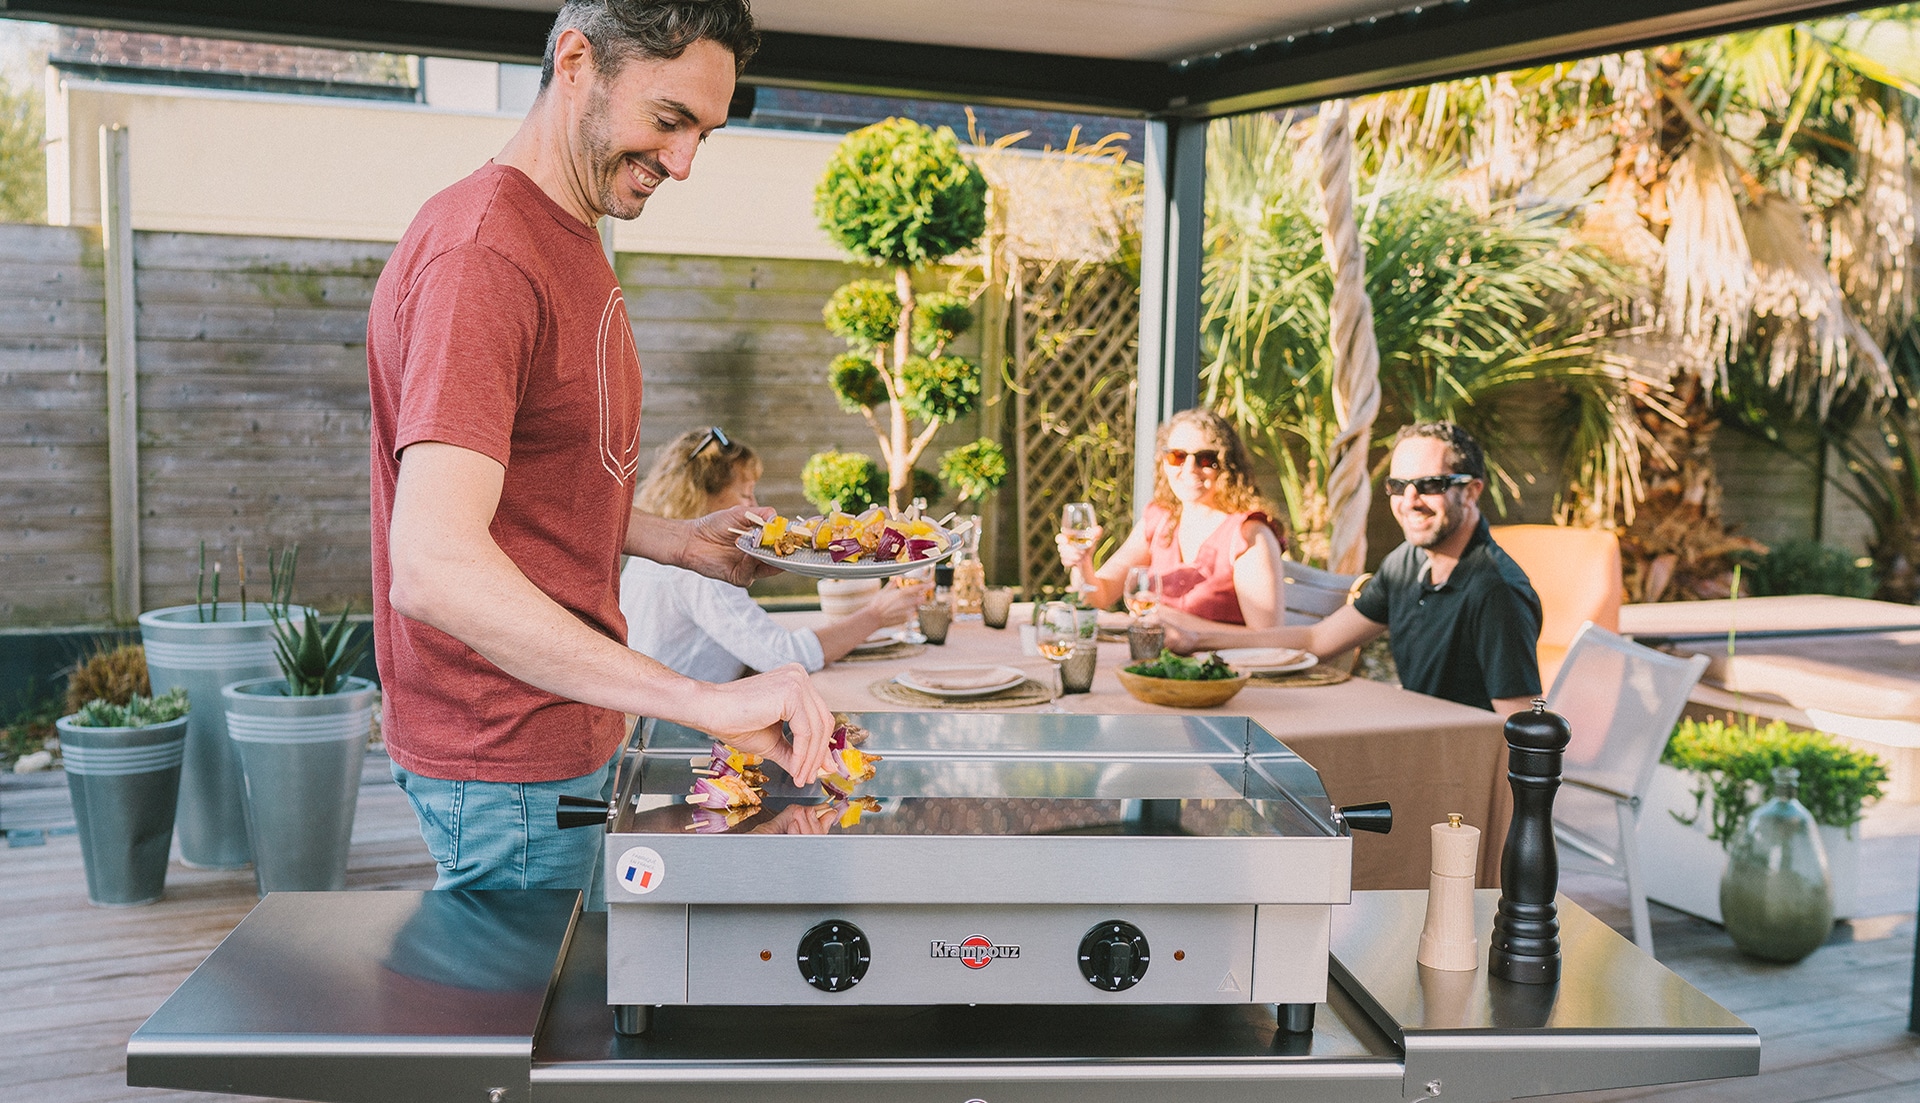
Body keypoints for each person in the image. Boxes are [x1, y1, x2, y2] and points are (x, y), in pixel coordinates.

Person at [367, 0, 836, 895]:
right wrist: (705, 700)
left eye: (705, 132)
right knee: (546, 1029)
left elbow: (534, 481)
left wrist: (676, 540)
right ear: (575, 61)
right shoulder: (484, 258)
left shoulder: (568, 231)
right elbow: (431, 562)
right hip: (507, 755)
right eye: (669, 120)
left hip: (570, 728)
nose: (685, 162)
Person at [1161, 421, 1542, 714]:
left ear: (1472, 491)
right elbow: (1316, 641)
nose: (1411, 501)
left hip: (1460, 776)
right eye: (1399, 485)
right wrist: (1197, 642)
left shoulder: (1495, 590)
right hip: (1418, 737)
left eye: (1430, 485)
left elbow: (1519, 729)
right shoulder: (1406, 564)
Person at [620, 427, 928, 680]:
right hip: (676, 736)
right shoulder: (695, 571)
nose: (754, 505)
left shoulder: (653, 555)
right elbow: (786, 658)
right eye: (745, 494)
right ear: (702, 497)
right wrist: (876, 615)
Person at [1057, 408, 1286, 630]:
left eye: (1206, 459)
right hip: (1159, 664)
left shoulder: (1249, 534)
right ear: (1163, 462)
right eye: (1177, 456)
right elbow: (1099, 597)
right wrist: (1082, 562)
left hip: (1228, 666)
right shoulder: (1161, 519)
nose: (1190, 469)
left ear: (1227, 464)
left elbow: (1267, 636)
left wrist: (1173, 621)